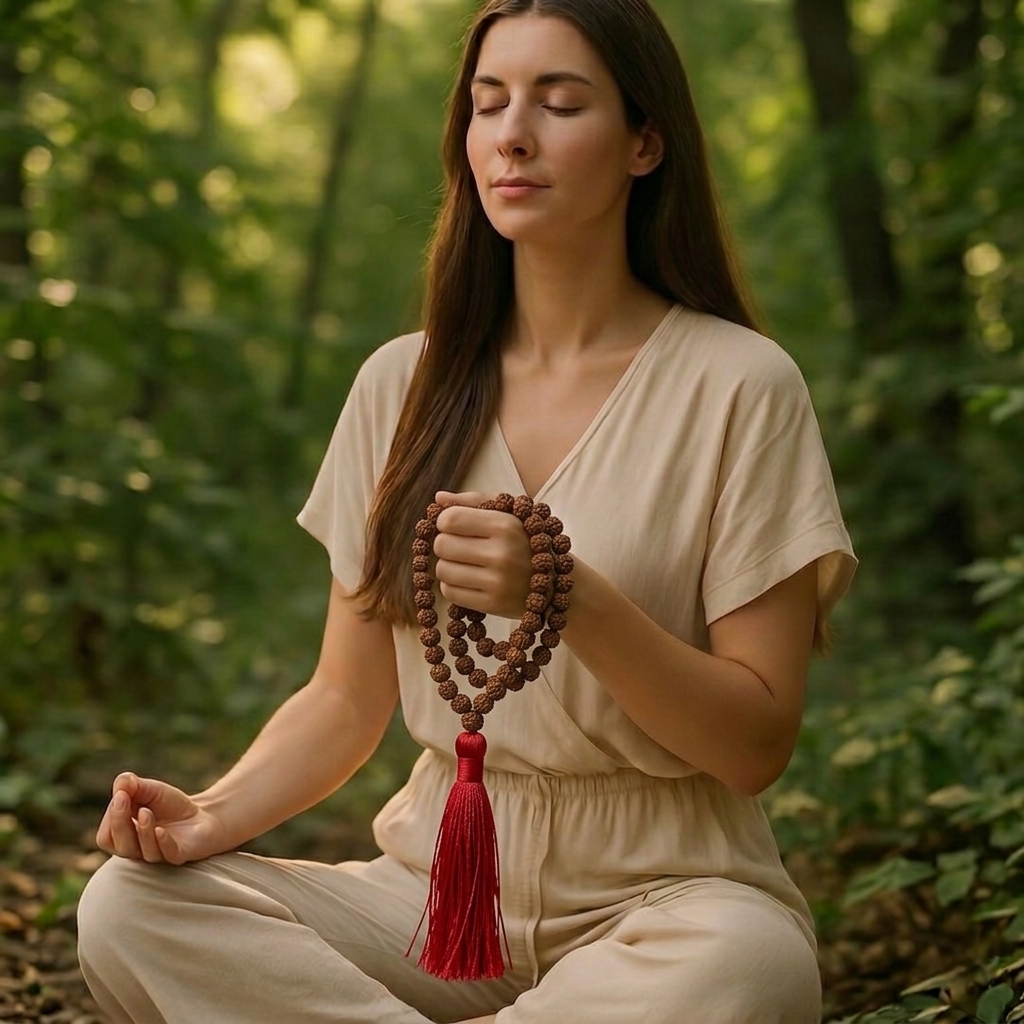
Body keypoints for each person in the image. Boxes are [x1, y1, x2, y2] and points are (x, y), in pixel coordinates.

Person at [76, 1, 857, 1021]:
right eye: (489, 103)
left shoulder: (741, 385)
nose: (512, 135)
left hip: (669, 897)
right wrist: (208, 816)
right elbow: (344, 699)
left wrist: (567, 595)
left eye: (559, 103)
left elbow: (754, 744)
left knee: (748, 965)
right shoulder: (400, 386)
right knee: (130, 905)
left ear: (644, 143)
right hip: (436, 900)